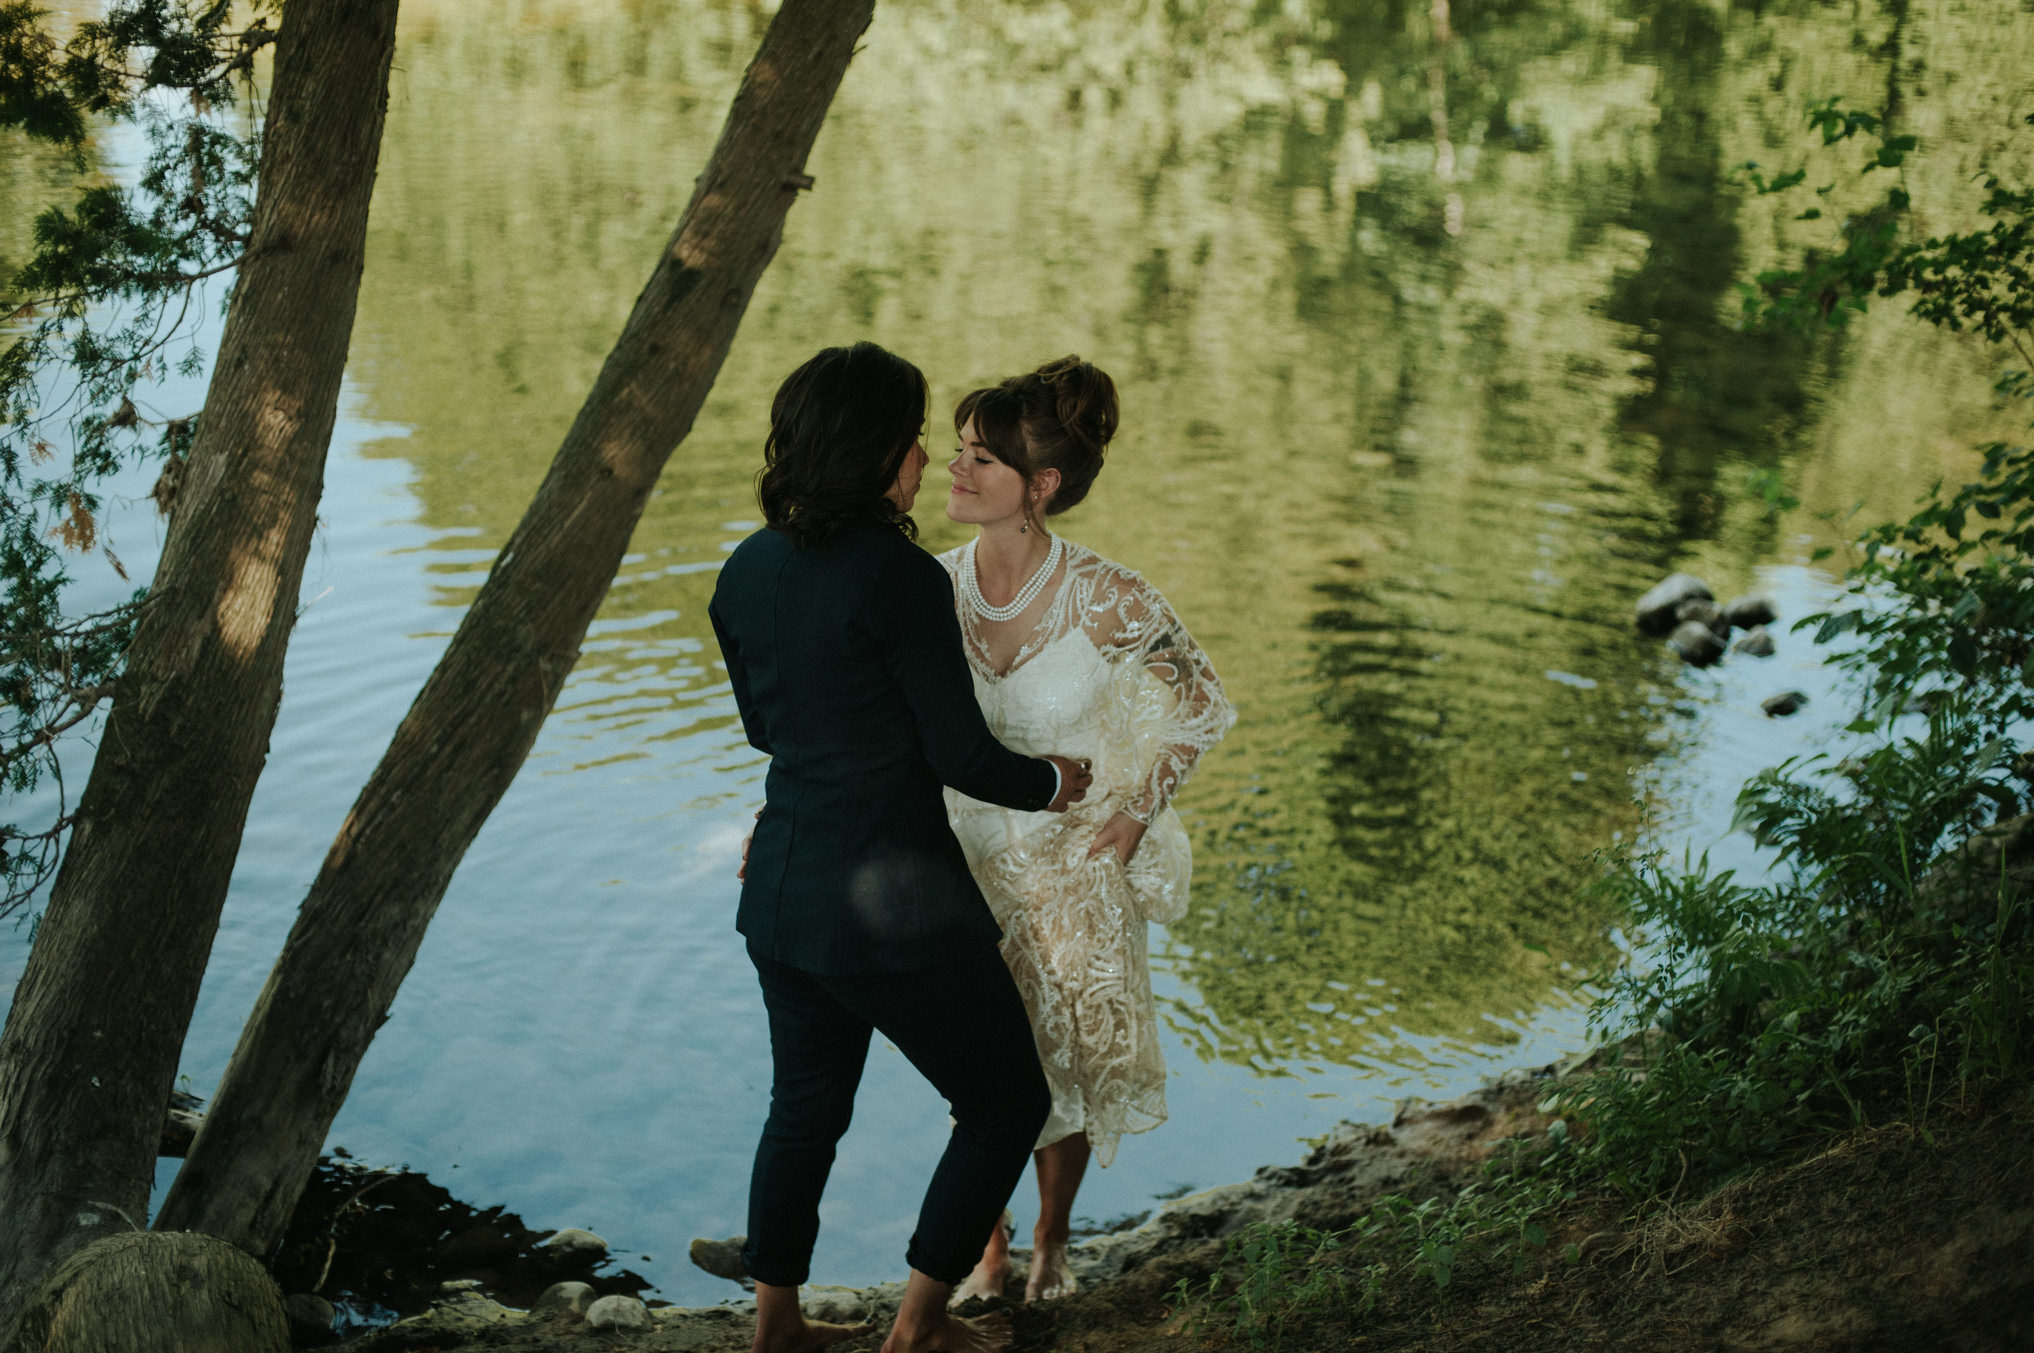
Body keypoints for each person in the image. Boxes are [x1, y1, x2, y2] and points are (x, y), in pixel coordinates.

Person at [708, 342, 1094, 1353]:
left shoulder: (744, 569)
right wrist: (1056, 779)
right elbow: (962, 754)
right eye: (913, 435)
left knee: (805, 1108)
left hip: (782, 898)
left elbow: (767, 729)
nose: (927, 456)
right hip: (892, 909)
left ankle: (777, 1329)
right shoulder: (903, 578)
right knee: (1007, 1101)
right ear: (874, 450)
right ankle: (919, 1330)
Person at [937, 356, 1236, 1304]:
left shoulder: (1108, 597)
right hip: (960, 859)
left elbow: (1202, 701)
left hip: (1070, 863)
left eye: (982, 458)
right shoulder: (928, 587)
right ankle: (985, 1248)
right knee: (977, 1069)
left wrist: (1137, 811)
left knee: (1055, 1063)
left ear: (1043, 486)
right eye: (959, 451)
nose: (957, 470)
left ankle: (1050, 1242)